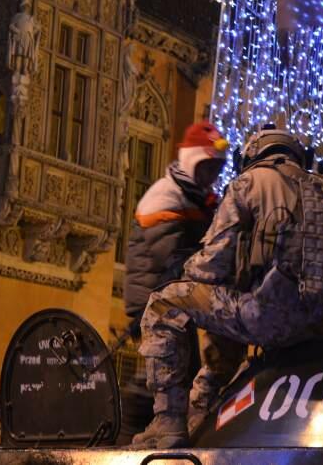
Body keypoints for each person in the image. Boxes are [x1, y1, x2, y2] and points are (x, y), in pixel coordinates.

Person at [138, 126, 323, 448]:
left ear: (251, 155)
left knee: (165, 305)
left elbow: (210, 267)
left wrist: (185, 269)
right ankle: (200, 415)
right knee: (232, 313)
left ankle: (168, 422)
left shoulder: (249, 183)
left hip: (273, 320)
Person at [123, 120, 239, 448]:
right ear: (191, 161)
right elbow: (172, 256)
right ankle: (126, 432)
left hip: (177, 297)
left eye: (216, 169)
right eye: (206, 167)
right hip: (154, 298)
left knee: (181, 369)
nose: (211, 175)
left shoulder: (200, 199)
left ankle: (159, 434)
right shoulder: (165, 194)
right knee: (163, 367)